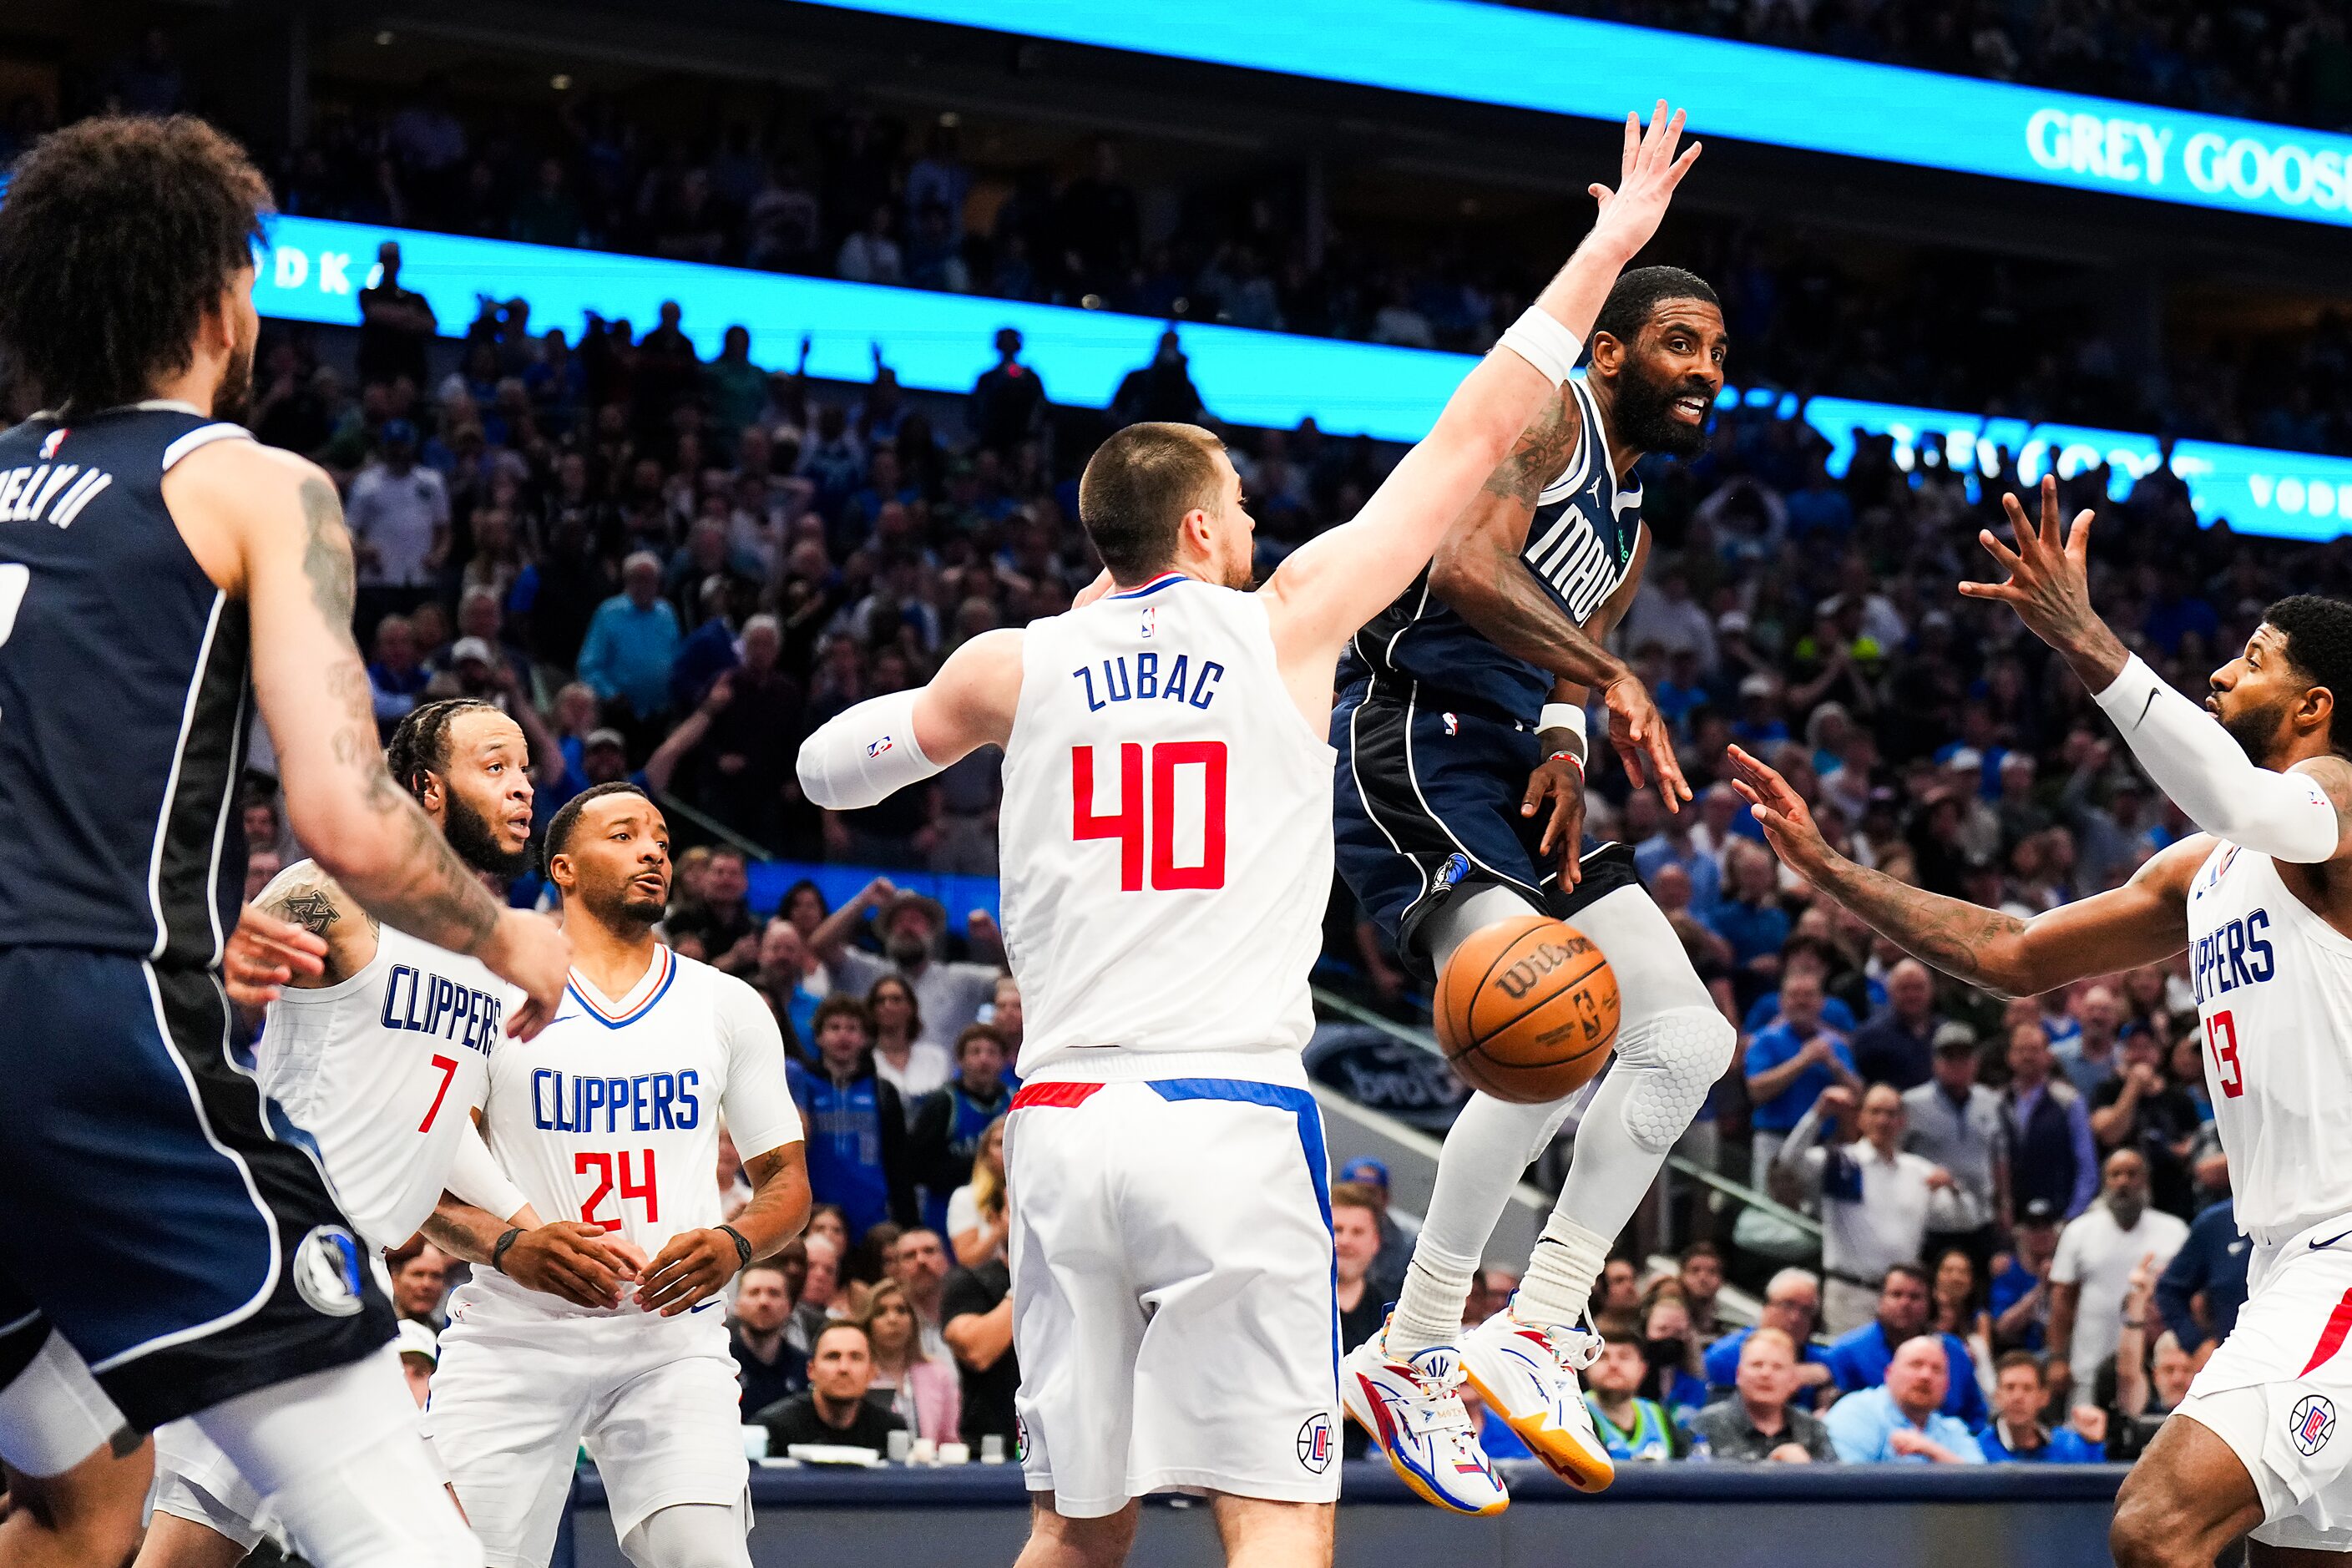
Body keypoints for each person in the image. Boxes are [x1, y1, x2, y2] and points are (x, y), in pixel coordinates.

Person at [797, 104, 1703, 1553]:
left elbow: (828, 771)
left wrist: (988, 679)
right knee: (1273, 1522)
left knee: (1072, 1533)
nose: (1256, 519)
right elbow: (1477, 431)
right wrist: (1606, 244)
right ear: (1208, 533)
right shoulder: (1289, 623)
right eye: (1240, 502)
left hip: (1057, 1129)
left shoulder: (1011, 663)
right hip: (1222, 1121)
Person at [0, 114, 569, 1568]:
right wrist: (510, 932)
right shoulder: (253, 482)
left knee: (79, 1504)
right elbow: (342, 808)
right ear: (216, 302)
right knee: (407, 1538)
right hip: (87, 1027)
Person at [1726, 483, 2352, 1561]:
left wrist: (2081, 634)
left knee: (2157, 1527)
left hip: (2344, 1253)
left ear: (2314, 707)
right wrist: (1833, 870)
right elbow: (2011, 954)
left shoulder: (2336, 801)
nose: (2218, 671)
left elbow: (2245, 802)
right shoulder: (2201, 870)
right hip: (2281, 1250)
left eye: (2251, 658)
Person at [1331, 140, 1724, 1512]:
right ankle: (1411, 1340)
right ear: (1609, 351)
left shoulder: (1632, 526)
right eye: (1679, 342)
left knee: (1686, 1037)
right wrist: (1609, 683)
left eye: (1718, 351)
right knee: (1553, 1022)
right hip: (1416, 732)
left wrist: (1569, 728)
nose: (1705, 368)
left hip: (1511, 756)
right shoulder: (1550, 417)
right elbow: (1464, 565)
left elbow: (1572, 644)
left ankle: (1537, 1319)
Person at [421, 782, 812, 1568]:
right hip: (514, 1330)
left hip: (668, 1337)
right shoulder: (482, 993)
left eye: (663, 841)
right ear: (561, 868)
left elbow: (789, 1184)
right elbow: (424, 1180)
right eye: (626, 835)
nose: (653, 852)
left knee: (709, 1559)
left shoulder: (726, 1003)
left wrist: (735, 1243)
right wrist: (509, 1248)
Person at [1773, 1084, 1951, 1335]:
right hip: (1849, 1293)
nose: (1883, 1120)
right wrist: (1818, 1115)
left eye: (1891, 1114)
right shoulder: (1841, 1162)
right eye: (1875, 1112)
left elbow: (1960, 1218)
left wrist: (1952, 1189)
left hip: (1901, 1299)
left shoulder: (1920, 1171)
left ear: (1903, 1121)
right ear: (1861, 1118)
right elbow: (1789, 1162)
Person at [2048, 1149, 2189, 1400]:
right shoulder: (2079, 1231)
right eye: (2115, 1175)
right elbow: (2061, 1300)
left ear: (2145, 1180)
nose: (2123, 1181)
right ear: (2105, 1182)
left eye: (2132, 1174)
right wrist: (2058, 1358)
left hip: (2159, 1367)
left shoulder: (2175, 1232)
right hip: (2090, 1363)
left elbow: (2191, 1298)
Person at [789, 995, 920, 1242]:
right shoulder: (802, 1085)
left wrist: (907, 1220)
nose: (843, 1036)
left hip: (874, 1214)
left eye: (852, 1028)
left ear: (864, 1038)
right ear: (818, 1037)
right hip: (816, 1212)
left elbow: (899, 1160)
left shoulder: (882, 1090)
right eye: (834, 1028)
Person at [811, 883, 1004, 1050]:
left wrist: (993, 937)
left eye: (915, 920)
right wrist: (864, 900)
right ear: (887, 932)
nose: (907, 927)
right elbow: (819, 945)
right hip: (876, 1086)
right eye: (899, 921)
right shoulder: (864, 970)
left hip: (947, 1089)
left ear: (931, 931)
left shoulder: (962, 980)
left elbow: (1015, 977)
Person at [1821, 1264, 1987, 1427]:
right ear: (1881, 1300)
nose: (1905, 1303)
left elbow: (1976, 1415)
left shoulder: (1954, 1351)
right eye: (1896, 1294)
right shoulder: (1847, 1352)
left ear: (1929, 1304)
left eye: (1915, 1297)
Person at [1901, 1023, 2007, 1272]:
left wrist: (2005, 1205)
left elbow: (1998, 1156)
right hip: (1933, 1221)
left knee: (1979, 1291)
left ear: (1975, 1061)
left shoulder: (1990, 1101)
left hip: (1980, 1218)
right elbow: (1896, 1156)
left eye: (1965, 1056)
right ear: (1935, 1061)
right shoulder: (1912, 1104)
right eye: (1949, 1056)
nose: (1957, 1063)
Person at [1743, 968, 1862, 1179]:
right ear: (1782, 1002)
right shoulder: (1765, 1040)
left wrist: (1833, 1064)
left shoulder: (1834, 1045)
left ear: (1821, 1002)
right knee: (1770, 1208)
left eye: (1808, 995)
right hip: (1775, 1139)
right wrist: (1803, 1060)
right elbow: (1756, 1091)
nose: (1801, 1002)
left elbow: (1857, 1095)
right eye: (1794, 995)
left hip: (1822, 1144)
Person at [911, 1024, 1014, 1234]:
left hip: (1004, 1214)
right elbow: (918, 1168)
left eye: (992, 1052)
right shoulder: (943, 1102)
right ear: (960, 1060)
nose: (984, 1059)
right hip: (947, 1214)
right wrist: (981, 1164)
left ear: (1003, 1061)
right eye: (975, 1051)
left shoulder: (1014, 1102)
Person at [1822, 1335, 1986, 1464]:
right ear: (1889, 1373)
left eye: (1936, 1370)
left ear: (1947, 1386)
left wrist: (1930, 1450)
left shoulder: (1953, 1430)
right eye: (1916, 1364)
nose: (1925, 1376)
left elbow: (1983, 1489)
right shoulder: (1857, 1412)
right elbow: (1844, 1486)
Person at [1686, 1328, 1836, 1462]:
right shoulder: (1706, 1425)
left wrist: (1807, 1470)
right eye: (1757, 1365)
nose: (1765, 1374)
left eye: (1778, 1367)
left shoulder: (1813, 1430)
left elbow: (1834, 1488)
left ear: (1792, 1379)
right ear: (1739, 1375)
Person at [756, 1323, 906, 1455]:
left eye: (855, 1357)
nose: (844, 1368)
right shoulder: (773, 1429)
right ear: (811, 1370)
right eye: (833, 1357)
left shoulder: (891, 1431)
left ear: (872, 1372)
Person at [1998, 1019, 2097, 1221]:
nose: (2027, 1056)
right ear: (2010, 1057)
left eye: (2034, 1050)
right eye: (2021, 1050)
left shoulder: (2069, 1101)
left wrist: (2073, 1215)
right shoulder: (1998, 1102)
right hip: (2014, 1218)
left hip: (2059, 1214)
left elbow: (2087, 1166)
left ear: (2048, 1056)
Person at [1702, 1268, 1835, 1410]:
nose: (1795, 1318)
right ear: (1766, 1307)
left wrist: (1827, 1384)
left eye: (1806, 1311)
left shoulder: (1821, 1361)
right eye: (1787, 1305)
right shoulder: (1724, 1356)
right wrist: (1789, 1377)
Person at [854, 1280, 959, 1444]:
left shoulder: (938, 1374)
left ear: (913, 1320)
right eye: (881, 1312)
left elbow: (950, 1440)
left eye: (901, 1310)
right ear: (868, 1323)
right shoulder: (857, 1372)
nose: (892, 1319)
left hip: (927, 1466)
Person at [2152, 1197, 2251, 1366]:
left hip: (2301, 1363)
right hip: (2236, 1368)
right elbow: (2169, 1290)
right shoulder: (2215, 1223)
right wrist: (2196, 1344)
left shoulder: (2307, 1216)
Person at [1581, 1330, 1687, 1462]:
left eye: (1624, 1357)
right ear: (1585, 1368)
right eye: (1602, 1357)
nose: (1613, 1365)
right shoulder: (1574, 1414)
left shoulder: (1658, 1414)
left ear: (1642, 1369)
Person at [1975, 1352, 2102, 1463]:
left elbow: (2096, 1486)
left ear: (2044, 1397)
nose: (2018, 1397)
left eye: (2027, 1388)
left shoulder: (2068, 1445)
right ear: (1997, 1396)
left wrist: (2093, 1445)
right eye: (2010, 1387)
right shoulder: (1979, 1449)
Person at [1849, 959, 1945, 1091]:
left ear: (1932, 990)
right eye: (1904, 988)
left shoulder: (1945, 1032)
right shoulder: (1870, 1036)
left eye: (1918, 987)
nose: (1912, 995)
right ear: (1890, 991)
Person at [727, 1262, 807, 1419]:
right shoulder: (721, 1363)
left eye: (774, 1293)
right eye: (754, 1292)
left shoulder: (804, 1368)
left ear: (789, 1306)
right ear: (737, 1304)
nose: (764, 1302)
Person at [1990, 1198, 2063, 1353]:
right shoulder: (2008, 1271)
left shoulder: (2068, 1271)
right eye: (2034, 1228)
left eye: (2046, 1227)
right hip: (2022, 1355)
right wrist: (2042, 1288)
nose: (2041, 1234)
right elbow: (2003, 1329)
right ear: (2023, 1233)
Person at [868, 974, 951, 1109]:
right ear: (873, 1010)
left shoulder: (936, 1057)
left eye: (896, 999)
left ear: (910, 1007)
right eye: (880, 1001)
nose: (888, 1006)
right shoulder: (866, 1061)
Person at [946, 1116, 1009, 1267]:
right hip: (986, 1283)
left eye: (1014, 1141)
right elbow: (967, 1260)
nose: (1008, 1148)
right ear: (985, 1153)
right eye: (1000, 1143)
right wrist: (999, 1230)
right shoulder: (965, 1198)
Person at [1333, 1185, 1388, 1357]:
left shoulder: (1387, 1318)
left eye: (1357, 1232)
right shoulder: (1292, 1294)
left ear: (1375, 1242)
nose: (1345, 1241)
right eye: (1337, 1229)